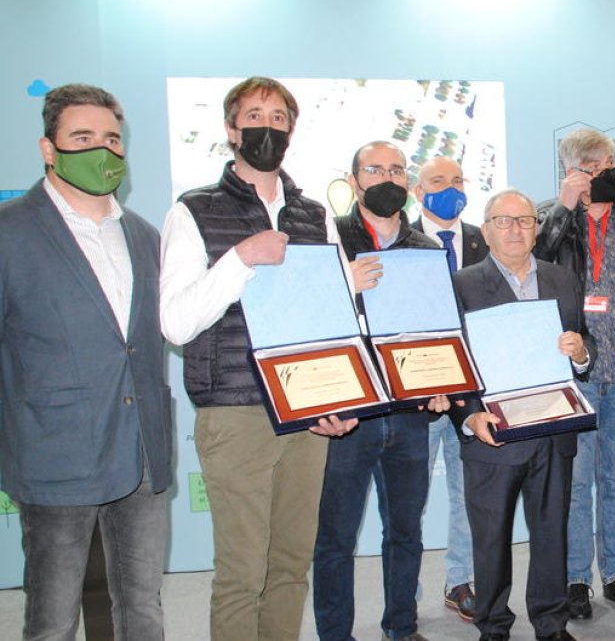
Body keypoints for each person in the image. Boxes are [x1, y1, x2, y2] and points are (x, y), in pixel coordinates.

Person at [159, 76, 356, 641]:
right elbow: (174, 320)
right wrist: (242, 258)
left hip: (308, 410)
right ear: (230, 129)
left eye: (277, 118)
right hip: (236, 410)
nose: (265, 127)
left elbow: (332, 317)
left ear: (291, 131)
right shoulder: (193, 210)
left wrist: (341, 399)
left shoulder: (313, 214)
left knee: (292, 565)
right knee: (243, 572)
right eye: (253, 116)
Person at [0, 84, 173, 640]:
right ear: (49, 149)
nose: (102, 150)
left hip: (142, 453)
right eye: (83, 137)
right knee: (52, 620)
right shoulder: (9, 231)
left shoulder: (144, 236)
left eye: (112, 138)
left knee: (142, 606)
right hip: (55, 455)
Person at [312, 141, 441, 641]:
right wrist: (345, 288)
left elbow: (437, 330)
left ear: (408, 182)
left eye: (396, 169)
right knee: (336, 539)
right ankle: (334, 635)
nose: (386, 177)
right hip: (349, 412)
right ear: (353, 180)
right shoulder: (328, 241)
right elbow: (307, 321)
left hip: (410, 412)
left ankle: (402, 627)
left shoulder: (427, 248)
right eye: (374, 169)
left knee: (405, 531)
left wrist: (439, 385)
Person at [450, 189, 594, 641]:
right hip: (493, 433)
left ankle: (551, 624)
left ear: (536, 227)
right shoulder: (461, 284)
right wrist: (470, 416)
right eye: (503, 221)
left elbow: (584, 345)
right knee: (491, 539)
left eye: (525, 220)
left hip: (553, 429)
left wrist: (582, 353)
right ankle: (493, 626)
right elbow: (450, 360)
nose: (515, 229)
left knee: (551, 534)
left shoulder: (562, 279)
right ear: (486, 231)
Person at [534, 127, 615, 618]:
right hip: (574, 373)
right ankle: (577, 577)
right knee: (576, 481)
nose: (604, 172)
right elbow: (530, 273)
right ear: (571, 172)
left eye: (608, 163)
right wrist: (562, 210)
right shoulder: (547, 217)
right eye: (591, 166)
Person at [411, 155, 488, 622]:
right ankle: (405, 593)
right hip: (415, 394)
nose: (450, 188)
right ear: (419, 192)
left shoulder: (485, 240)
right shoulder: (398, 241)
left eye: (457, 180)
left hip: (471, 394)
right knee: (408, 502)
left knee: (469, 495)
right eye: (438, 181)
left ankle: (460, 581)